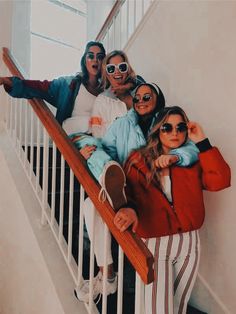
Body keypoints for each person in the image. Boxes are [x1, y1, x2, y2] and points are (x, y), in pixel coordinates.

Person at [75, 83, 199, 303]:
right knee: (89, 204)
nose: (141, 101)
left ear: (157, 98)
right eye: (138, 97)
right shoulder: (121, 124)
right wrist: (91, 154)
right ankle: (108, 274)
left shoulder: (169, 122)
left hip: (151, 191)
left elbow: (190, 146)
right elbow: (108, 148)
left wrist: (176, 157)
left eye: (147, 97)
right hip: (123, 184)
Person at [114, 106, 231, 314]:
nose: (174, 133)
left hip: (189, 243)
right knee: (159, 310)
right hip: (155, 244)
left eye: (181, 127)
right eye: (167, 127)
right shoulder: (138, 160)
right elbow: (129, 194)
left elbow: (220, 181)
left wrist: (202, 141)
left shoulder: (191, 160)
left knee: (178, 307)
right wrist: (130, 210)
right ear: (157, 130)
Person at [73, 50, 145, 302]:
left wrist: (130, 95)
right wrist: (87, 152)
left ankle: (116, 186)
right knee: (89, 206)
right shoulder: (102, 101)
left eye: (121, 66)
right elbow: (98, 136)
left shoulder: (143, 93)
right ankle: (108, 275)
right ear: (106, 74)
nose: (116, 72)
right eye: (110, 69)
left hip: (140, 167)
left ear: (128, 68)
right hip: (114, 164)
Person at [0, 41, 106, 132]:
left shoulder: (106, 91)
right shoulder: (69, 84)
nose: (95, 60)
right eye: (91, 56)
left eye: (100, 57)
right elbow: (38, 87)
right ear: (84, 60)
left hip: (99, 136)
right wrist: (7, 81)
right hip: (76, 137)